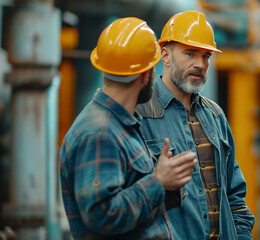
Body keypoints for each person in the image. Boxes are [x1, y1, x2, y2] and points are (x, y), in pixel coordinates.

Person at [59, 17, 196, 239]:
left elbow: (132, 198)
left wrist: (167, 181)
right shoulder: (99, 133)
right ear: (145, 75)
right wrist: (158, 181)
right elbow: (102, 216)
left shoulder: (122, 125)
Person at [136, 11, 255, 240]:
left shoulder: (215, 115)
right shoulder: (141, 113)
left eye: (206, 56)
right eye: (190, 53)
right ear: (165, 56)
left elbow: (235, 195)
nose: (199, 64)